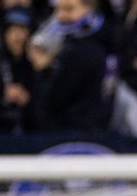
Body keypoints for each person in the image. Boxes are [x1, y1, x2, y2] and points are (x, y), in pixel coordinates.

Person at [27, 0, 115, 132]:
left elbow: (52, 103)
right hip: (87, 133)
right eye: (57, 10)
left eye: (68, 9)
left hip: (74, 135)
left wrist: (43, 70)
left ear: (89, 9)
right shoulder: (73, 44)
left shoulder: (84, 50)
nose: (60, 16)